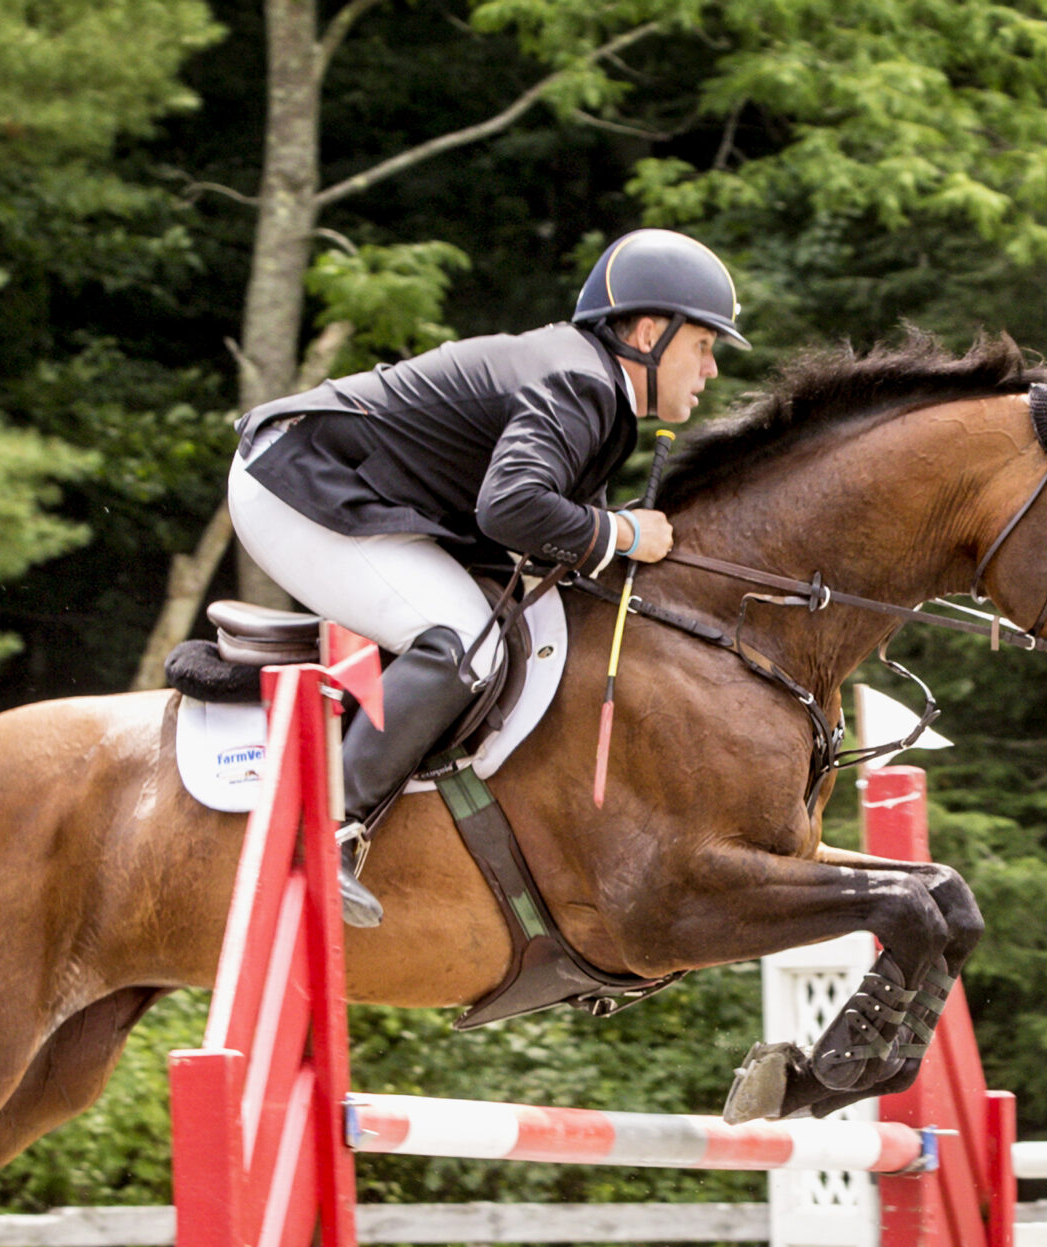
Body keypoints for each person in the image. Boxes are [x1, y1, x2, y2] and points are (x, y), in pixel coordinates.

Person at [228, 228, 748, 925]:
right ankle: (323, 833)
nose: (711, 369)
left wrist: (609, 534)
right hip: (298, 483)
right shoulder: (579, 381)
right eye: (705, 345)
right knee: (464, 638)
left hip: (352, 487)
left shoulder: (592, 386)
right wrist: (620, 532)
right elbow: (510, 508)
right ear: (649, 332)